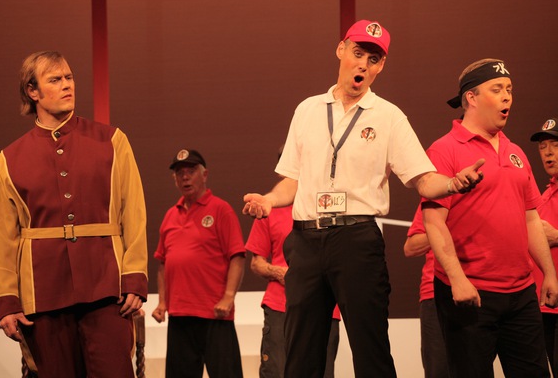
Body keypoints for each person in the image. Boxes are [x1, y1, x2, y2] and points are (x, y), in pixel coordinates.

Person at [242, 19, 484, 377]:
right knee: (301, 356)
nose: (363, 65)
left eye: (373, 59)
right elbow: (291, 180)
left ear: (380, 66)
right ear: (341, 50)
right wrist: (268, 200)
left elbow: (423, 179)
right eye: (357, 54)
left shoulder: (389, 116)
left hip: (356, 240)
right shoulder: (307, 110)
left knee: (371, 351)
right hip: (306, 241)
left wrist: (452, 183)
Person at [0, 51, 148, 378]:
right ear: (32, 91)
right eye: (55, 80)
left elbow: (134, 214)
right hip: (43, 294)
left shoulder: (112, 142)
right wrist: (6, 301)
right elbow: (0, 239)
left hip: (106, 287)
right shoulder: (7, 160)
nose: (67, 85)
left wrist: (134, 277)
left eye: (69, 77)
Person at [422, 59, 558, 377]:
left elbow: (530, 219)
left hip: (521, 293)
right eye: (497, 89)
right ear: (471, 98)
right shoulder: (444, 150)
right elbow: (433, 222)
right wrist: (457, 280)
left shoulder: (516, 152)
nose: (507, 96)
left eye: (509, 89)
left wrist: (549, 273)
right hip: (471, 294)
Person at [152, 149, 246, 378]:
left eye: (191, 171)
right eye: (179, 173)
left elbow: (237, 256)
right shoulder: (170, 215)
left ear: (205, 175)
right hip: (179, 315)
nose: (185, 177)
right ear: (174, 179)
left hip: (215, 314)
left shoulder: (220, 209)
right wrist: (162, 302)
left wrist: (228, 297)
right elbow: (163, 263)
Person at [246, 195, 341, 377]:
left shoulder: (329, 206)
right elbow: (256, 263)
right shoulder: (269, 208)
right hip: (280, 306)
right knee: (277, 372)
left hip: (324, 306)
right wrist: (279, 273)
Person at [404, 208, 449, 378]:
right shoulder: (436, 198)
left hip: (487, 291)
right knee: (438, 370)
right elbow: (410, 247)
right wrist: (453, 228)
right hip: (436, 295)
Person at [530, 118, 558, 377]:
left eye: (555, 145)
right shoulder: (545, 194)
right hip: (547, 305)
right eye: (542, 147)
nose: (548, 152)